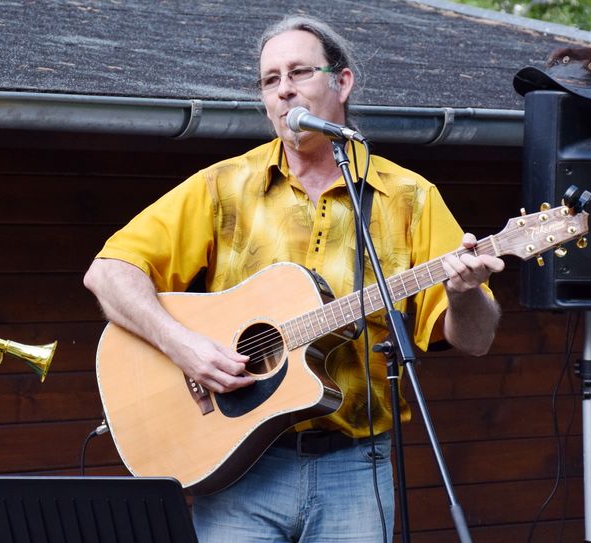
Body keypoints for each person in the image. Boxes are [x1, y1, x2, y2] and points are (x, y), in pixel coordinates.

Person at [83, 14, 504, 543]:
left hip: (355, 466)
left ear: (341, 82)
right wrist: (183, 345)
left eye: (300, 72)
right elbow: (109, 272)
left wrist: (465, 293)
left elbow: (477, 339)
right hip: (237, 463)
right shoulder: (224, 186)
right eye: (270, 80)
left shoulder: (410, 198)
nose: (284, 91)